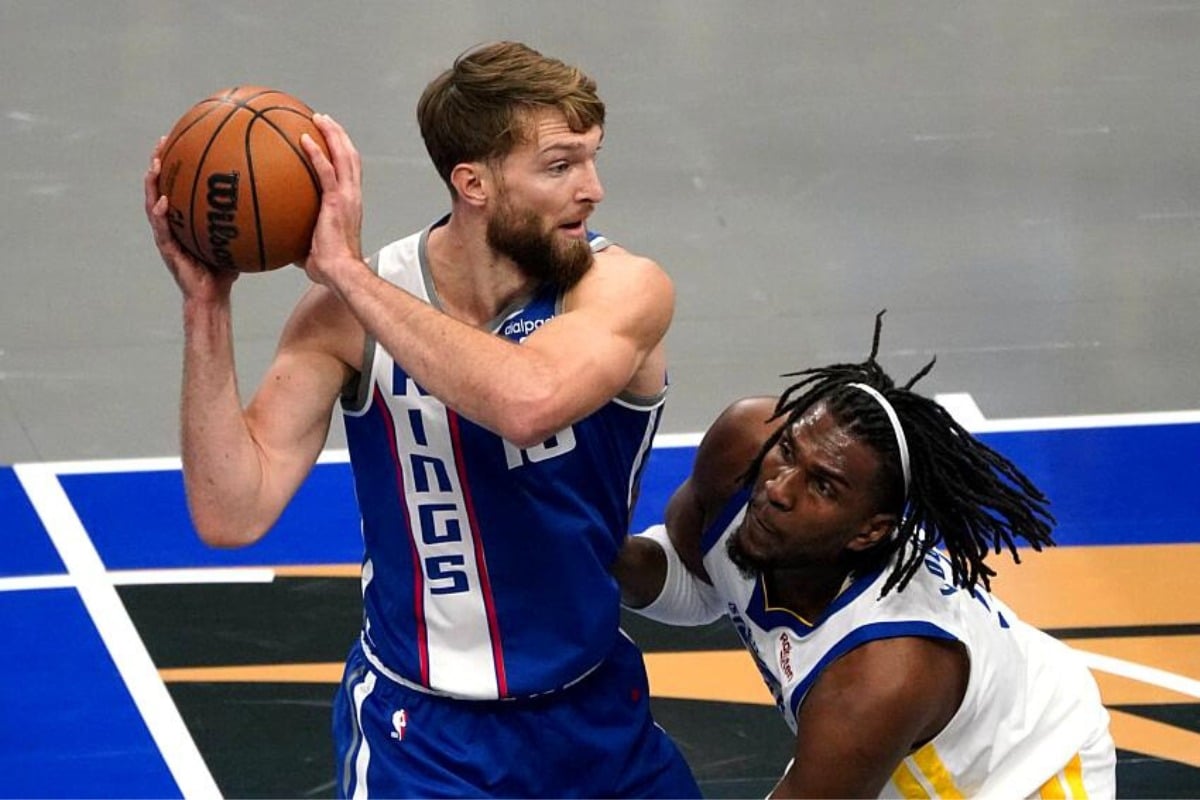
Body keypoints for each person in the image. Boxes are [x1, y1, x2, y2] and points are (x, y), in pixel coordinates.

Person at [144, 41, 700, 798]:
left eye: (592, 159)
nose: (593, 189)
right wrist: (206, 308)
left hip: (597, 715)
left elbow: (525, 402)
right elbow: (230, 512)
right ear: (473, 182)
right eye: (561, 165)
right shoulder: (344, 318)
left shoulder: (621, 289)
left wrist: (346, 273)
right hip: (425, 742)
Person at [613, 311, 1116, 799]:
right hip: (885, 746)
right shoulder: (745, 449)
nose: (780, 489)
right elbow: (693, 579)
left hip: (1025, 769)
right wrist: (595, 551)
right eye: (789, 450)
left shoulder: (882, 671)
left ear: (868, 532)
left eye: (824, 486)